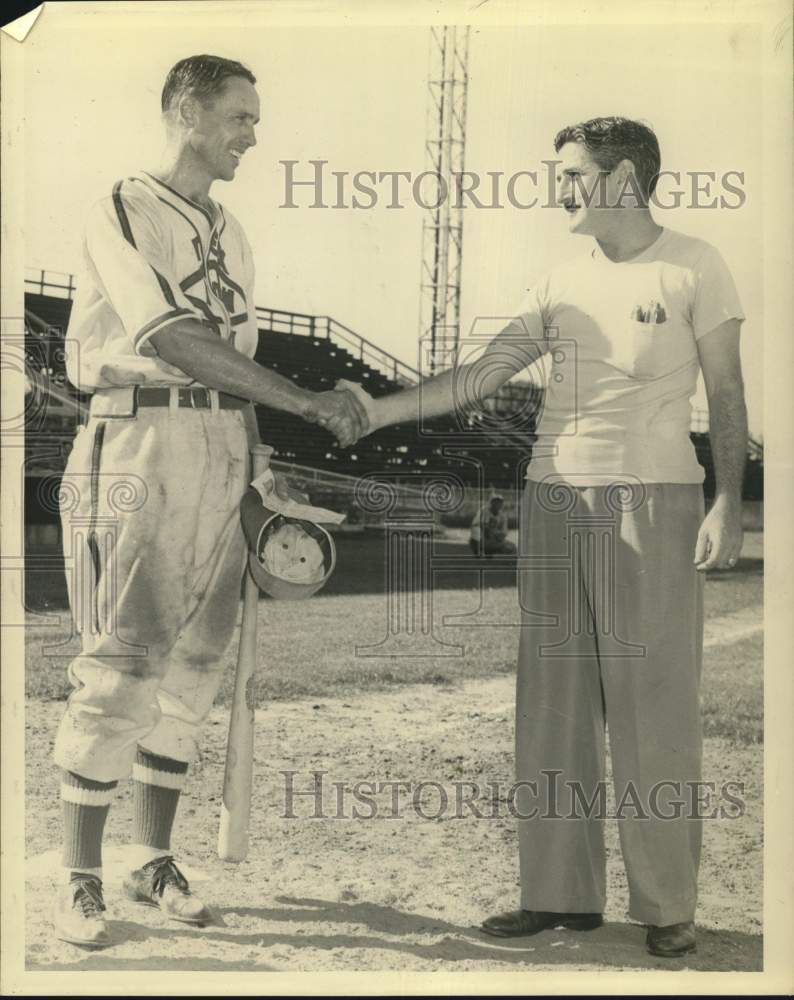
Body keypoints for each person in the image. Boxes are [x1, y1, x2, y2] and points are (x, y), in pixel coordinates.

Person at [346, 117, 747, 958]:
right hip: (553, 499)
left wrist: (726, 501)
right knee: (552, 708)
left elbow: (728, 389)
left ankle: (667, 903)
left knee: (653, 708)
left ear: (624, 176)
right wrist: (378, 410)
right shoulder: (558, 279)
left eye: (571, 173)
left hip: (657, 498)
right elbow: (482, 374)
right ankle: (559, 894)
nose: (557, 187)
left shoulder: (694, 264)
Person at [53, 54, 368, 949]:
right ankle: (79, 874)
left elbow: (232, 362)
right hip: (142, 435)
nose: (252, 135)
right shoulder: (123, 203)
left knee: (195, 668)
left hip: (225, 445)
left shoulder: (233, 230)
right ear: (187, 112)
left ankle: (151, 858)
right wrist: (306, 403)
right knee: (123, 661)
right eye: (239, 116)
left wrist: (262, 462)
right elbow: (171, 337)